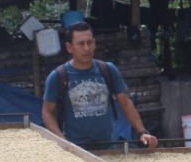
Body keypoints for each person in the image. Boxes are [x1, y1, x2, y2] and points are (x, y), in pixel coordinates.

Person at [41, 22, 158, 150]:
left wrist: (142, 132)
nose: (86, 48)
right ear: (69, 47)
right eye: (80, 44)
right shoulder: (58, 76)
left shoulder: (108, 70)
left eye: (90, 42)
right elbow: (47, 112)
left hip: (108, 147)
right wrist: (62, 140)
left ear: (95, 43)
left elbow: (125, 104)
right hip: (74, 150)